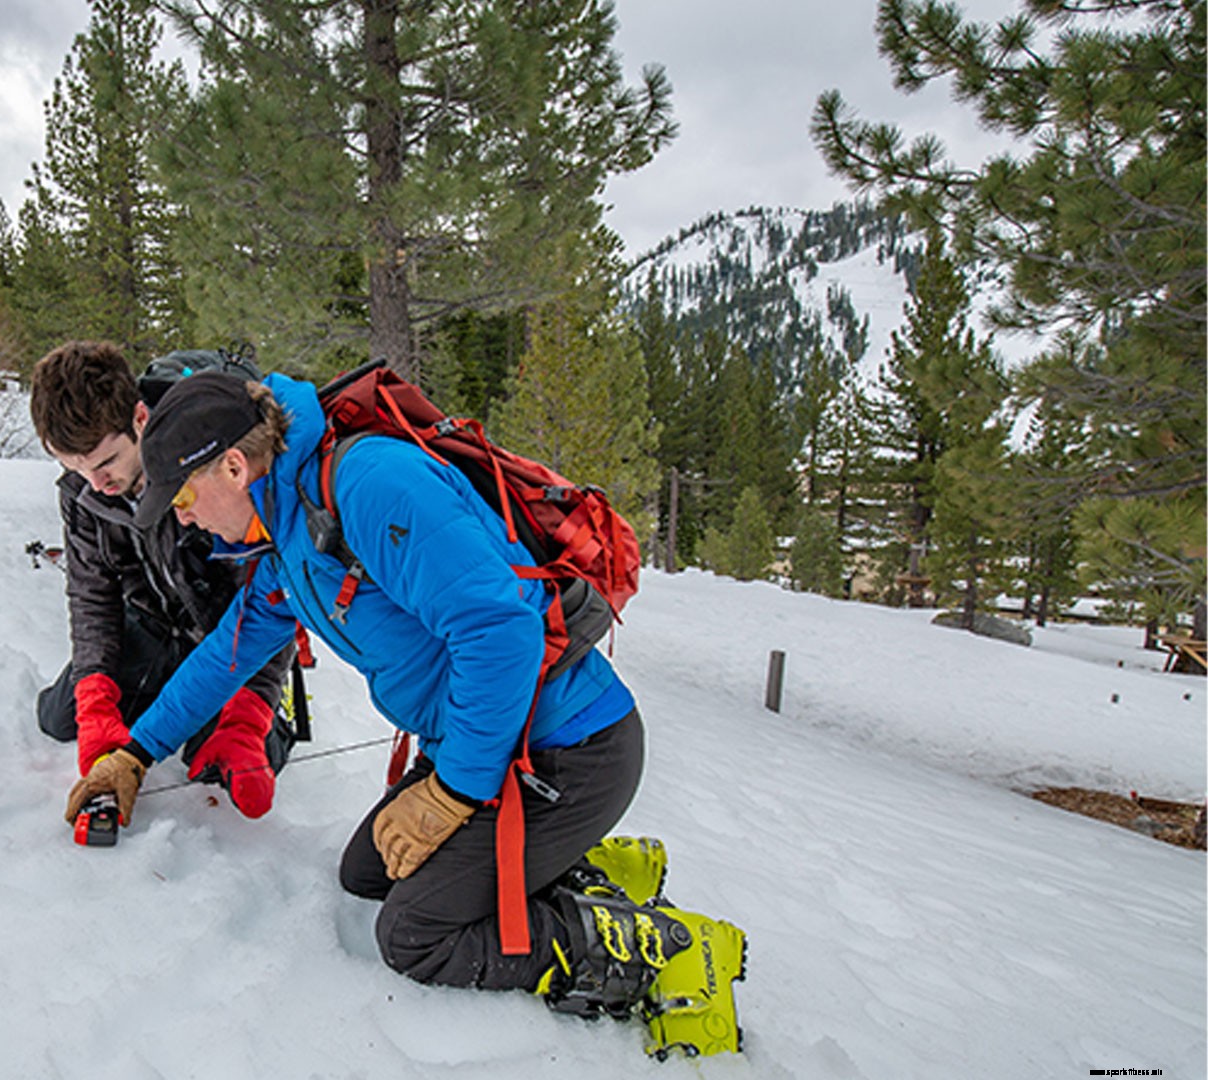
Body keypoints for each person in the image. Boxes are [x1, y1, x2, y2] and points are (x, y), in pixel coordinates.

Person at [63, 370, 743, 1049]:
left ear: (236, 466)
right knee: (368, 872)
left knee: (417, 935)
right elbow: (228, 652)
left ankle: (665, 950)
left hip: (569, 749)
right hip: (488, 747)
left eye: (183, 496)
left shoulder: (368, 485)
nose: (182, 517)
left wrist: (452, 795)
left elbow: (501, 631)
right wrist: (135, 751)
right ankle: (592, 868)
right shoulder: (291, 532)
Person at [29, 342, 295, 819]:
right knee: (60, 716)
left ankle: (265, 714)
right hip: (150, 627)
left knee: (221, 760)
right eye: (74, 468)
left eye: (105, 462)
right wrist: (96, 703)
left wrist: (250, 711)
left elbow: (271, 597)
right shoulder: (83, 492)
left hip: (225, 641)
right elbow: (93, 597)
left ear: (139, 419)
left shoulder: (204, 458)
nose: (94, 483)